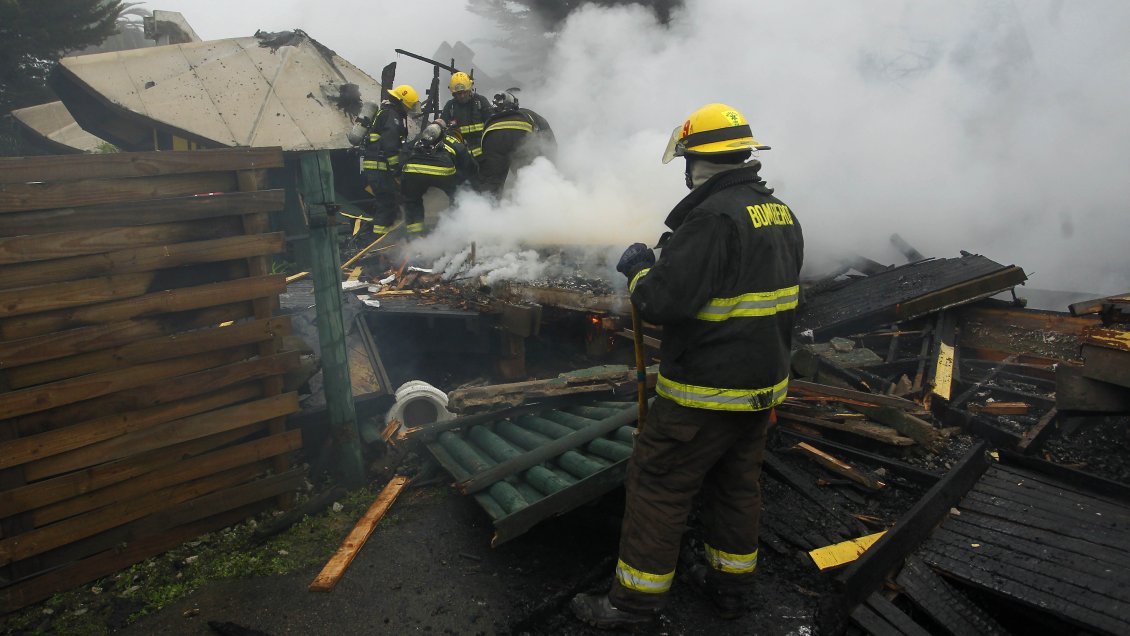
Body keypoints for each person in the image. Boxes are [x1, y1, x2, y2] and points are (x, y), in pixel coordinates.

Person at [570, 103, 804, 630]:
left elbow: (664, 302)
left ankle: (631, 606)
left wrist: (639, 272)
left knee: (658, 484)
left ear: (695, 161)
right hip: (760, 388)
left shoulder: (712, 219)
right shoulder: (779, 213)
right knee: (735, 486)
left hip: (704, 392)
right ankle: (730, 589)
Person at [398, 119, 478, 236]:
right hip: (442, 172)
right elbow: (468, 165)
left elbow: (404, 154)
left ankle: (414, 236)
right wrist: (465, 179)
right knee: (457, 196)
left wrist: (401, 174)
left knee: (412, 200)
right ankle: (455, 231)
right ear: (445, 130)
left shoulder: (418, 139)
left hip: (413, 171)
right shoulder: (452, 140)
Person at [361, 84, 421, 237]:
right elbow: (390, 144)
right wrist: (396, 169)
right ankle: (379, 241)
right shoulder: (392, 116)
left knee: (387, 202)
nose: (409, 109)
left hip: (376, 166)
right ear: (403, 102)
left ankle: (382, 237)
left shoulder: (387, 113)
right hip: (380, 167)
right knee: (387, 204)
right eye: (409, 106)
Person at [476, 90, 555, 197]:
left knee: (491, 182)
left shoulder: (491, 119)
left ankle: (486, 208)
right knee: (530, 176)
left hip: (493, 138)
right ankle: (534, 206)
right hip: (520, 136)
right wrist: (550, 162)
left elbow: (484, 144)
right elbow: (549, 141)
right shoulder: (529, 114)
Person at [440, 71, 493, 161]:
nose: (462, 96)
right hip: (460, 158)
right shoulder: (450, 106)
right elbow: (442, 125)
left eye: (465, 92)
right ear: (453, 94)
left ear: (470, 89)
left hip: (483, 156)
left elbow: (492, 124)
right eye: (459, 93)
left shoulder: (481, 102)